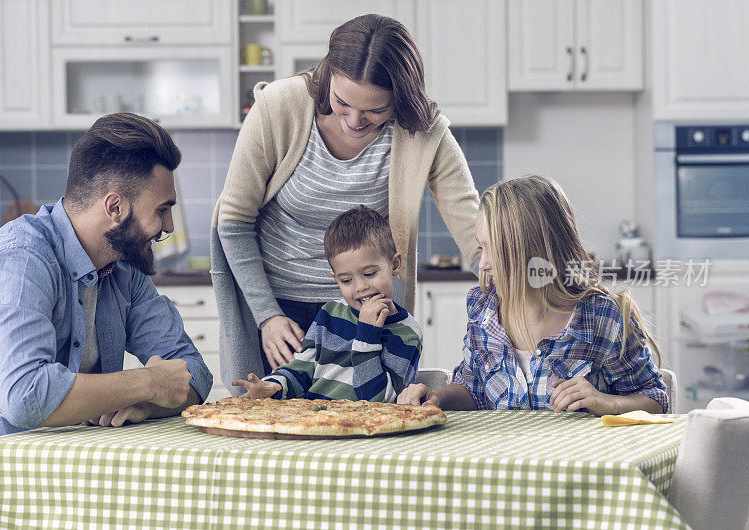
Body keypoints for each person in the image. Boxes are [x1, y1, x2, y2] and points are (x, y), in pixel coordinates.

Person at [212, 14, 480, 393]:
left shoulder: (421, 130)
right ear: (328, 77)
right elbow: (234, 220)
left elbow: (472, 225)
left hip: (367, 308)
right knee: (273, 416)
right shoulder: (279, 106)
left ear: (401, 98)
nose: (355, 120)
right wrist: (267, 316)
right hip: (278, 310)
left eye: (374, 110)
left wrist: (506, 277)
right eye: (342, 102)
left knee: (367, 415)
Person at [0, 113, 213, 464]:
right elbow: (24, 395)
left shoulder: (124, 267)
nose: (167, 226)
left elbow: (192, 371)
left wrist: (146, 405)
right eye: (162, 210)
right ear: (115, 207)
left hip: (68, 474)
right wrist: (149, 383)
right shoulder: (19, 259)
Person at [397, 175, 669, 416]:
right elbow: (474, 390)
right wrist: (438, 398)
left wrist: (605, 402)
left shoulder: (601, 316)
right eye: (482, 248)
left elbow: (655, 400)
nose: (482, 264)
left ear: (534, 251)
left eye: (495, 250)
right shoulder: (483, 308)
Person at [233, 206, 421, 402]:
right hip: (312, 420)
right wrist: (273, 385)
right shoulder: (331, 313)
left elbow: (381, 400)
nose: (360, 287)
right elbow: (302, 368)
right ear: (335, 278)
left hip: (366, 425)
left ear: (395, 264)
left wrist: (367, 335)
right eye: (346, 280)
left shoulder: (407, 334)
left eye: (369, 274)